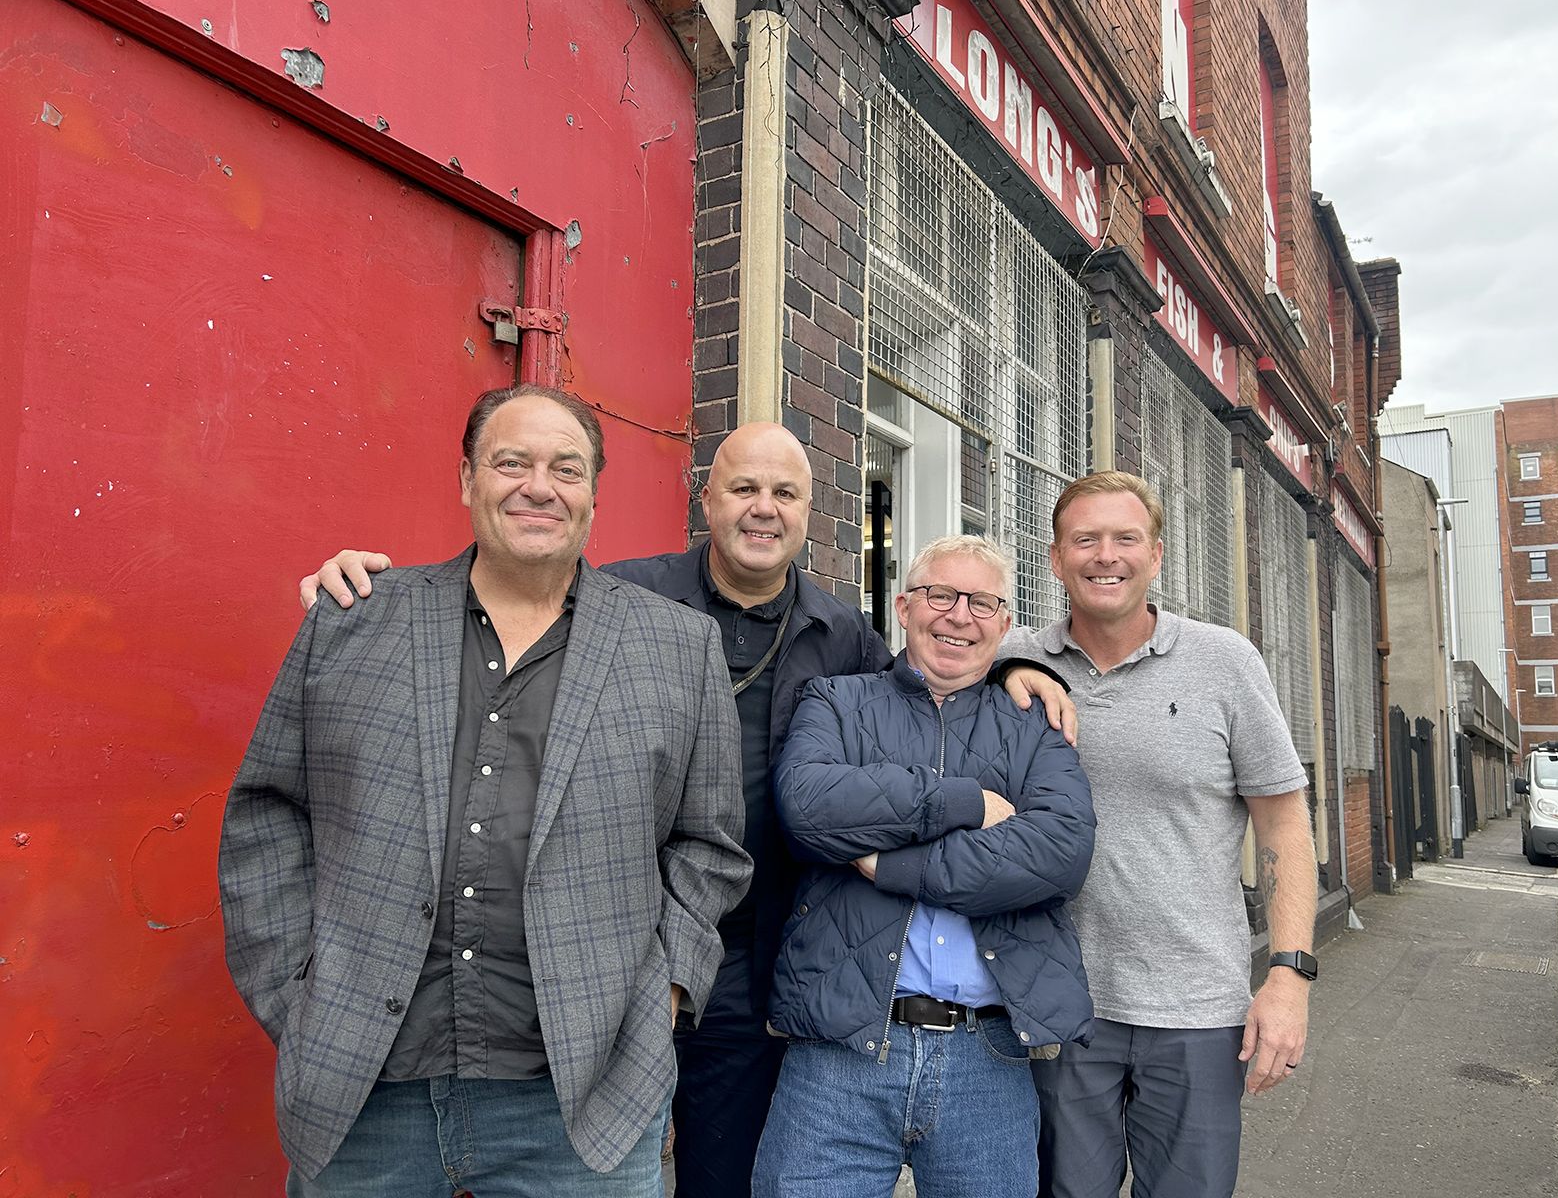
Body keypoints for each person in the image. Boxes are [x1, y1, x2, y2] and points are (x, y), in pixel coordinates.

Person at [294, 423, 1075, 1198]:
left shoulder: (844, 638)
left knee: (720, 1172)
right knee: (591, 1167)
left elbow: (932, 683)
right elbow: (508, 598)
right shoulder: (622, 598)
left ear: (810, 512)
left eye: (785, 493)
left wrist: (1015, 667)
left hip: (761, 956)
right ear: (708, 499)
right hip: (617, 951)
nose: (763, 509)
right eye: (743, 488)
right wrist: (369, 593)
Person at [220, 383, 751, 1196]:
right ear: (468, 479)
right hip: (368, 1090)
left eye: (565, 468)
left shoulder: (678, 646)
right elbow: (267, 815)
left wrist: (666, 993)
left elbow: (708, 845)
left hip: (584, 1099)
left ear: (594, 495)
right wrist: (298, 991)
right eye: (512, 462)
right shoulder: (355, 617)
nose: (539, 485)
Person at [1003, 470, 1318, 1198]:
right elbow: (926, 662)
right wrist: (1008, 667)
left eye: (1125, 539)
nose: (1104, 556)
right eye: (1085, 539)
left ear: (1157, 556)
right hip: (1060, 1002)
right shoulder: (1016, 657)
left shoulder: (1224, 662)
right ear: (1055, 558)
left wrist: (1289, 977)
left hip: (1198, 1013)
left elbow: (1282, 818)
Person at [750, 535, 1096, 1198]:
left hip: (987, 1057)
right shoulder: (836, 701)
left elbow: (1059, 852)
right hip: (841, 1051)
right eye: (941, 595)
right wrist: (965, 802)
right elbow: (809, 806)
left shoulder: (1034, 725)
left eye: (981, 602)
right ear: (905, 607)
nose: (958, 615)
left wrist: (889, 864)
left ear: (1004, 623)